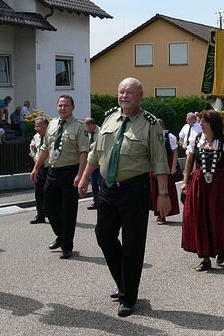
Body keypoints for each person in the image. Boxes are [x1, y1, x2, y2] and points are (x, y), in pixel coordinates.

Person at [76, 77, 170, 318]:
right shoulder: (109, 118)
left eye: (129, 93)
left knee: (132, 244)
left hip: (134, 190)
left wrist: (162, 194)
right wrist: (85, 177)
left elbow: (160, 162)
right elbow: (96, 153)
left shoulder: (150, 124)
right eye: (121, 92)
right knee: (103, 236)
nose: (124, 96)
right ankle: (124, 282)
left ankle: (128, 296)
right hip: (108, 189)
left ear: (140, 96)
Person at [181, 109, 224, 271]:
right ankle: (205, 258)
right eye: (200, 121)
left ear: (212, 124)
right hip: (199, 181)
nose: (200, 124)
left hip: (218, 183)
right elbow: (189, 161)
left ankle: (222, 248)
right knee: (199, 217)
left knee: (219, 216)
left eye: (203, 121)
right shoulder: (196, 139)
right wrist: (185, 182)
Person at [30, 95, 89, 260]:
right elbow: (45, 148)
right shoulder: (53, 124)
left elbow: (84, 152)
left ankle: (67, 246)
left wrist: (81, 175)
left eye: (66, 106)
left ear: (73, 107)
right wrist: (36, 168)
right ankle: (61, 236)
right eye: (60, 105)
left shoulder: (79, 127)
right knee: (48, 207)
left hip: (71, 172)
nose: (63, 108)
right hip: (53, 171)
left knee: (68, 211)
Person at [151, 119, 180, 224]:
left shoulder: (169, 137)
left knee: (165, 189)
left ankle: (163, 215)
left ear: (162, 127)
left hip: (166, 163)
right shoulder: (152, 136)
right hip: (155, 164)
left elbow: (175, 153)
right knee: (155, 189)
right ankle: (158, 212)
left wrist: (173, 167)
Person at [29, 116, 49, 224]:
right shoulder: (36, 136)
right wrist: (35, 158)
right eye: (36, 127)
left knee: (50, 192)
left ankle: (52, 213)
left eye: (39, 126)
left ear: (46, 126)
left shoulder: (51, 136)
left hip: (49, 167)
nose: (37, 129)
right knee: (38, 191)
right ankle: (40, 214)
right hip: (39, 168)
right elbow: (32, 147)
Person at [84, 117, 102, 210]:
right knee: (93, 183)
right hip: (91, 162)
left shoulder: (101, 131)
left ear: (91, 125)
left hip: (100, 162)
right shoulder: (87, 134)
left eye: (86, 125)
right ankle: (96, 202)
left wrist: (96, 144)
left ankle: (103, 202)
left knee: (100, 182)